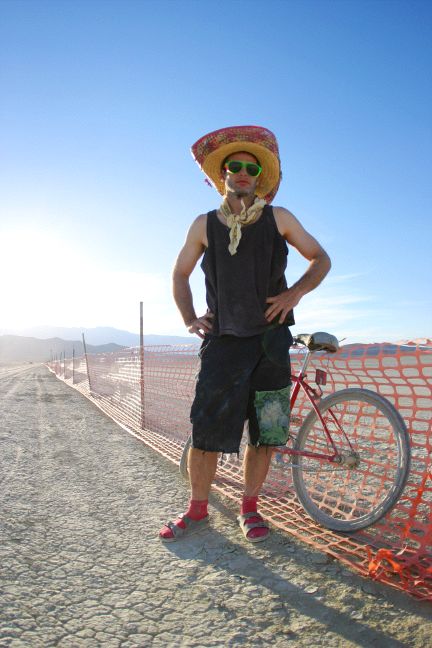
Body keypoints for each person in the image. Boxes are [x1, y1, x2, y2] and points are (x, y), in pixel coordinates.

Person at [159, 125, 331, 543]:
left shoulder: (279, 218)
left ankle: (249, 510)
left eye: (249, 168)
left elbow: (320, 259)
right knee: (206, 432)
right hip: (222, 344)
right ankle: (197, 510)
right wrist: (189, 319)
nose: (241, 173)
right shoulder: (204, 225)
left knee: (266, 433)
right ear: (222, 175)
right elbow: (180, 274)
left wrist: (294, 294)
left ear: (259, 178)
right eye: (233, 167)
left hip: (272, 345)